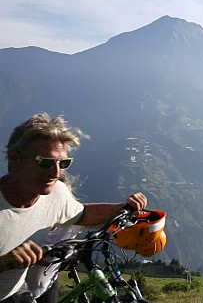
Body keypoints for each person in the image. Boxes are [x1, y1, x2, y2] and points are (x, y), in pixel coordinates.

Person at [0, 113, 148, 302]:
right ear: (14, 159)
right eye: (45, 162)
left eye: (63, 163)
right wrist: (3, 263)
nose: (56, 173)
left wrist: (123, 207)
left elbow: (82, 214)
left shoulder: (56, 193)